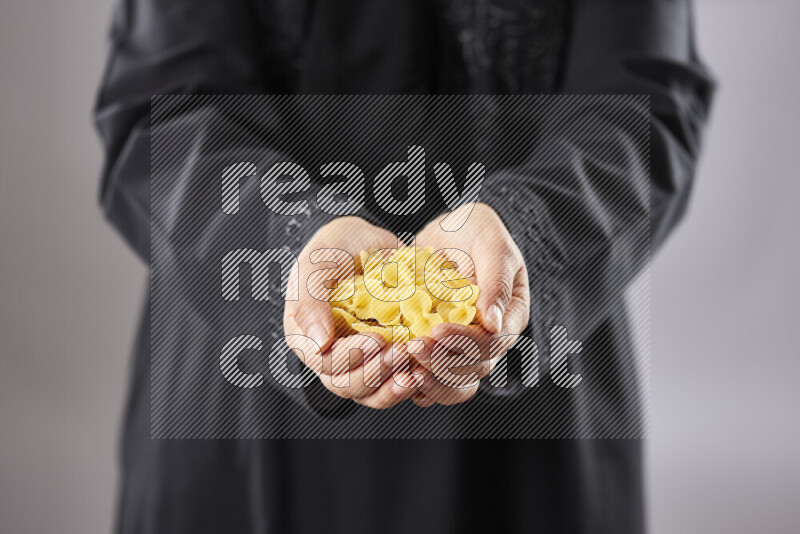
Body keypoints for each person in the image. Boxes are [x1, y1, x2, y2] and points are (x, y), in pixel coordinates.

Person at [94, 0, 714, 532]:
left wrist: (528, 227)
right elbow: (158, 112)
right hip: (237, 391)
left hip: (527, 381)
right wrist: (289, 242)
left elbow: (643, 102)